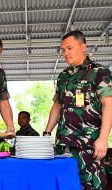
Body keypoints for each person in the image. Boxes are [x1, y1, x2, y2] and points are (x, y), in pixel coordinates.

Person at [43, 30, 112, 189]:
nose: (65, 53)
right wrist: (47, 132)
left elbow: (109, 104)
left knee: (92, 185)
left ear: (83, 47)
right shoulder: (63, 76)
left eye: (69, 48)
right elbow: (57, 106)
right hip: (64, 146)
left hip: (89, 145)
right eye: (63, 50)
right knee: (65, 185)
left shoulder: (99, 72)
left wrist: (103, 138)